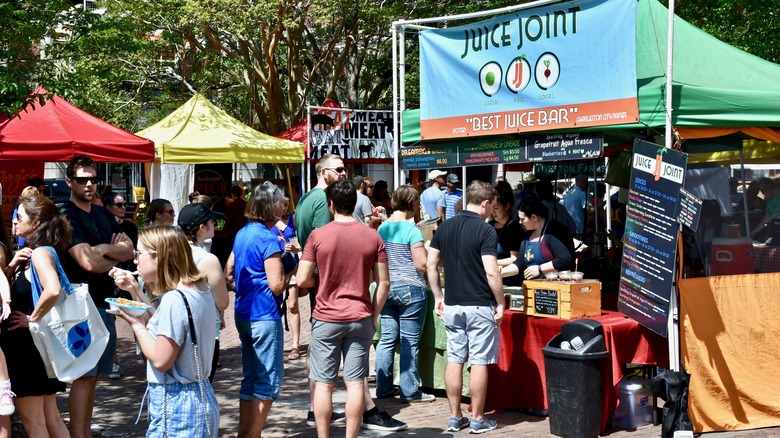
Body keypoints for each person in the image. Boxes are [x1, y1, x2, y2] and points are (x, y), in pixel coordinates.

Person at [295, 154, 405, 431]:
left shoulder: (318, 237)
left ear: (331, 204)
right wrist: (374, 313)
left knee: (324, 382)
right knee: (356, 382)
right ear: (356, 203)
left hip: (327, 316)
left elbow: (302, 278)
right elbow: (384, 284)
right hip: (360, 316)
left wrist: (325, 282)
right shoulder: (372, 236)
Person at [114, 226, 219, 437]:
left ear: (159, 257)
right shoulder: (198, 288)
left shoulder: (175, 299)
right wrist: (135, 289)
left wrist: (135, 324)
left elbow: (161, 360)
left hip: (178, 404)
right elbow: (164, 330)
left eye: (139, 254)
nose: (135, 261)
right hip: (197, 396)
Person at [60, 154, 134, 438]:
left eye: (93, 178)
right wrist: (109, 251)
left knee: (94, 377)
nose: (89, 184)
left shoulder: (103, 213)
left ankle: (85, 433)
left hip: (105, 303)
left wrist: (103, 250)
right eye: (82, 179)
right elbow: (87, 263)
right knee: (84, 375)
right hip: (79, 305)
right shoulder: (65, 215)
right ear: (70, 181)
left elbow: (129, 248)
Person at [425, 180, 503, 434]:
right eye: (492, 206)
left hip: (453, 303)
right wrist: (501, 302)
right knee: (480, 360)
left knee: (455, 358)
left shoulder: (445, 227)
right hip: (479, 303)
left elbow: (430, 264)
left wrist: (438, 295)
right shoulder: (485, 230)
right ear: (485, 203)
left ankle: (455, 416)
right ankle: (478, 418)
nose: (492, 211)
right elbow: (492, 272)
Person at [225, 182, 292, 437]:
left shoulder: (243, 233)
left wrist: (242, 285)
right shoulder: (268, 237)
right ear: (269, 205)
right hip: (264, 314)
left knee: (250, 378)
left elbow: (228, 271)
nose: (283, 206)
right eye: (280, 202)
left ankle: (246, 433)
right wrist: (291, 272)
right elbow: (276, 286)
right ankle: (252, 434)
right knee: (267, 381)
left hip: (243, 312)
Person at [0, 195, 71, 436]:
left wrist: (32, 318)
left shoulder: (40, 253)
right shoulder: (36, 253)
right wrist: (10, 269)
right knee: (52, 419)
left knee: (35, 423)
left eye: (19, 218)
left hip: (27, 350)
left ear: (37, 222)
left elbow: (53, 289)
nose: (15, 223)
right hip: (37, 347)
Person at [375, 185, 434, 403]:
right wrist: (427, 247)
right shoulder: (412, 231)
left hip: (387, 287)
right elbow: (421, 264)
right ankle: (410, 391)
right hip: (410, 288)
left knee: (387, 339)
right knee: (409, 341)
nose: (419, 206)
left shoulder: (382, 228)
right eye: (417, 202)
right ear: (410, 203)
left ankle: (383, 387)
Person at [178, 203, 230, 382]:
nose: (214, 224)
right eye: (212, 221)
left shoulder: (171, 254)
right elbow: (222, 302)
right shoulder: (208, 259)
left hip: (174, 327)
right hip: (203, 329)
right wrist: (220, 312)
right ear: (202, 227)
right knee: (202, 384)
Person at [102, 191, 138, 379]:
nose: (124, 208)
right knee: (111, 322)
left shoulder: (131, 227)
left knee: (138, 316)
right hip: (110, 277)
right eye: (119, 205)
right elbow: (104, 254)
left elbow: (133, 252)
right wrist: (118, 251)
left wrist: (119, 251)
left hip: (129, 276)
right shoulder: (103, 227)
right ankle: (114, 362)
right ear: (108, 208)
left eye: (125, 204)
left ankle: (146, 355)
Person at [501, 197, 575, 281]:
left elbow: (565, 259)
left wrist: (540, 269)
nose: (520, 222)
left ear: (534, 217)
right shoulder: (528, 234)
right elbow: (520, 263)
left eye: (522, 219)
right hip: (534, 286)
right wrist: (499, 273)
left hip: (556, 286)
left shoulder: (554, 230)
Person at [274, 195, 304, 361]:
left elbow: (303, 243)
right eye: (281, 204)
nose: (284, 208)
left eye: (286, 204)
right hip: (273, 267)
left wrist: (296, 248)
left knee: (292, 305)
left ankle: (295, 345)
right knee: (274, 305)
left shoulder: (294, 219)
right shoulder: (268, 221)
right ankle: (277, 344)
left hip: (291, 266)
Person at [489, 185, 523, 287]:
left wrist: (493, 262)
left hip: (509, 281)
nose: (493, 212)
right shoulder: (489, 226)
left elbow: (514, 258)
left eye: (496, 208)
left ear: (507, 206)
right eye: (491, 208)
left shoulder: (515, 229)